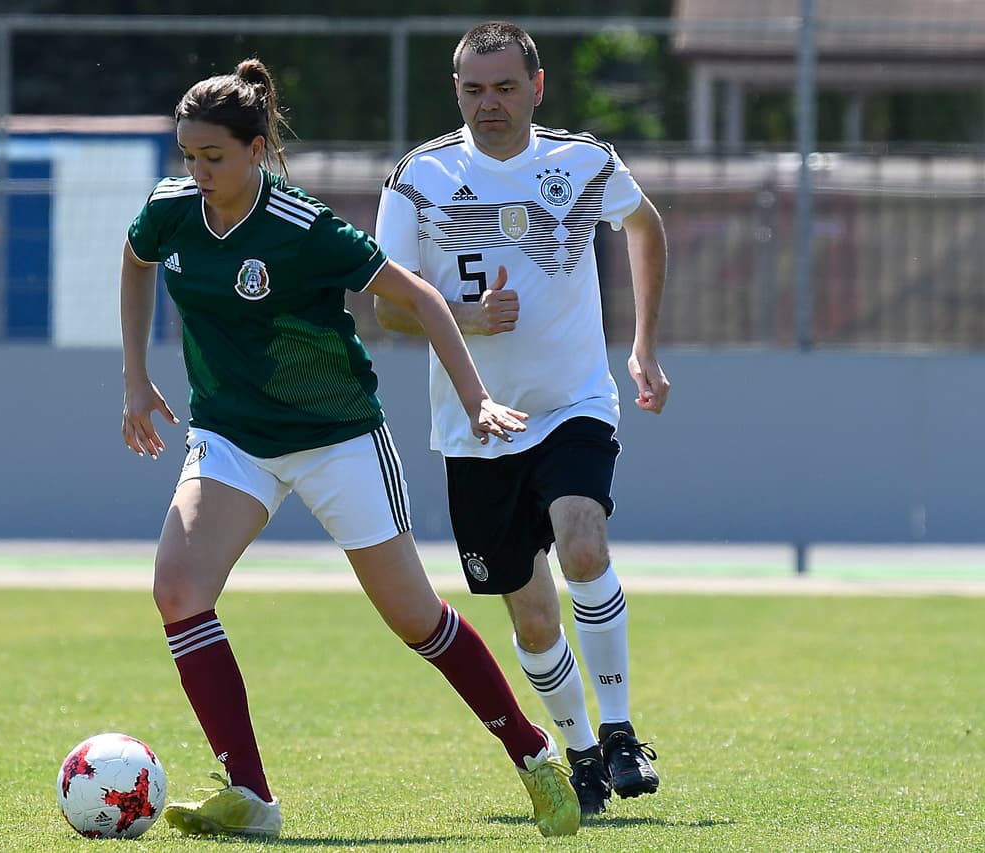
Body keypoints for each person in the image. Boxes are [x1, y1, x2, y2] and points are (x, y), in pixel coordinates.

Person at [120, 57, 582, 839]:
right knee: (177, 588)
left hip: (337, 439)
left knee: (414, 619)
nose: (197, 172)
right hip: (233, 436)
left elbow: (423, 299)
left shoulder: (305, 227)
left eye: (214, 157)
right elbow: (135, 265)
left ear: (258, 149)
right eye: (187, 156)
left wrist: (477, 400)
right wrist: (136, 379)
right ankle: (250, 794)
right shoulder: (168, 212)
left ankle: (535, 754)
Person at [373, 21, 668, 816]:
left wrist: (641, 345)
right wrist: (464, 317)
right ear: (456, 91)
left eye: (505, 88)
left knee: (582, 535)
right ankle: (578, 753)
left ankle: (618, 731)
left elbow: (645, 225)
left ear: (536, 87)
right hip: (476, 424)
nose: (488, 104)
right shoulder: (419, 176)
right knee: (533, 617)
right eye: (473, 89)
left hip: (574, 400)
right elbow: (383, 306)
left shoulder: (582, 161)